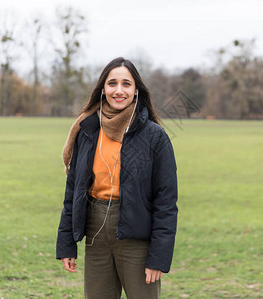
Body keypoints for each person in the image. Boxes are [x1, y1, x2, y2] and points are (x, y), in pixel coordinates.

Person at [56, 57, 178, 299]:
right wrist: (66, 244)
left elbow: (166, 202)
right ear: (103, 89)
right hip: (96, 233)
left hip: (137, 238)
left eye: (126, 84)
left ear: (136, 91)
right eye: (112, 83)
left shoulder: (155, 136)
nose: (119, 90)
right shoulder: (87, 130)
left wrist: (158, 257)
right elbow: (73, 191)